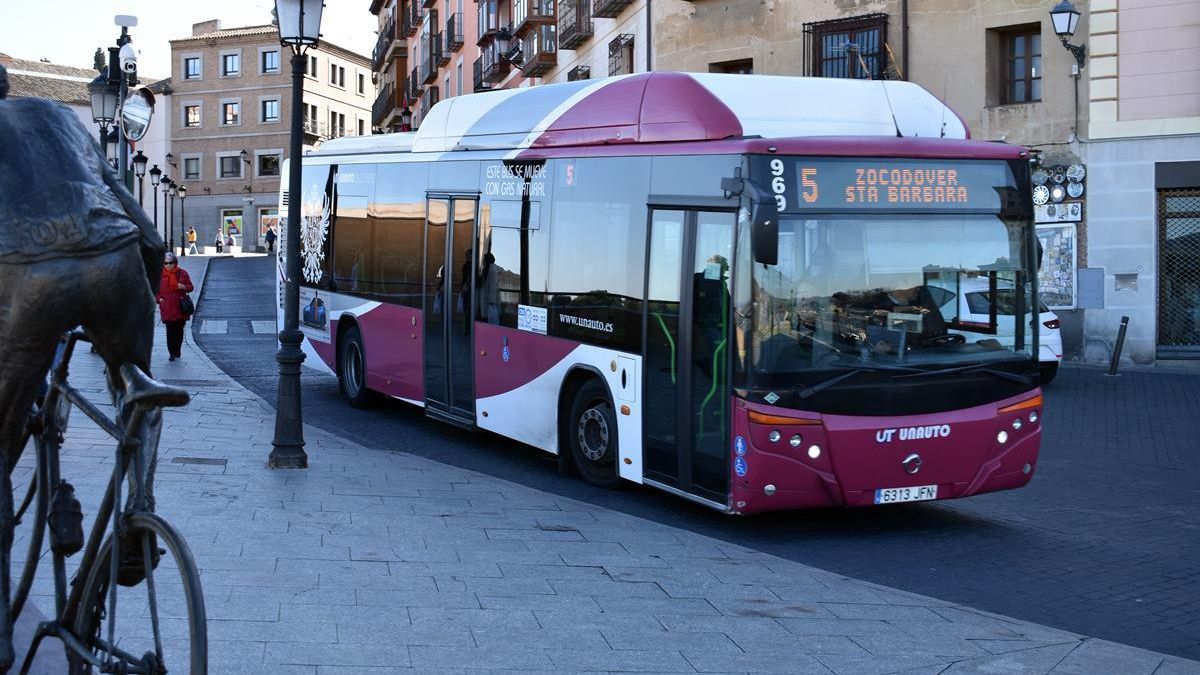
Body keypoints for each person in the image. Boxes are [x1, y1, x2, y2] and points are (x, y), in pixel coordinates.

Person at [156, 252, 194, 361]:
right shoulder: (159, 275)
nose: (168, 265)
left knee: (179, 330)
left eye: (170, 263)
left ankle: (177, 349)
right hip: (167, 307)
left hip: (180, 307)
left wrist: (183, 286)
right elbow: (155, 291)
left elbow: (190, 287)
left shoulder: (183, 273)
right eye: (165, 263)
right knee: (170, 330)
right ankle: (172, 352)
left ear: (175, 263)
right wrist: (160, 300)